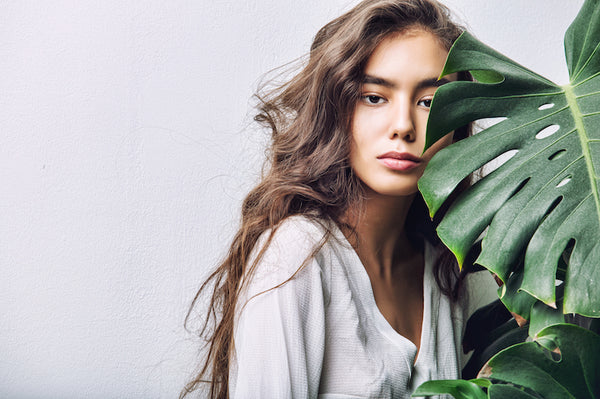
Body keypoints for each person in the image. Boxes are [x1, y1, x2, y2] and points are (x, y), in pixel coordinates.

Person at [183, 0, 484, 397]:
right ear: (334, 108)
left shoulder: (443, 270)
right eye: (374, 97)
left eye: (430, 102)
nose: (404, 127)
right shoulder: (297, 255)